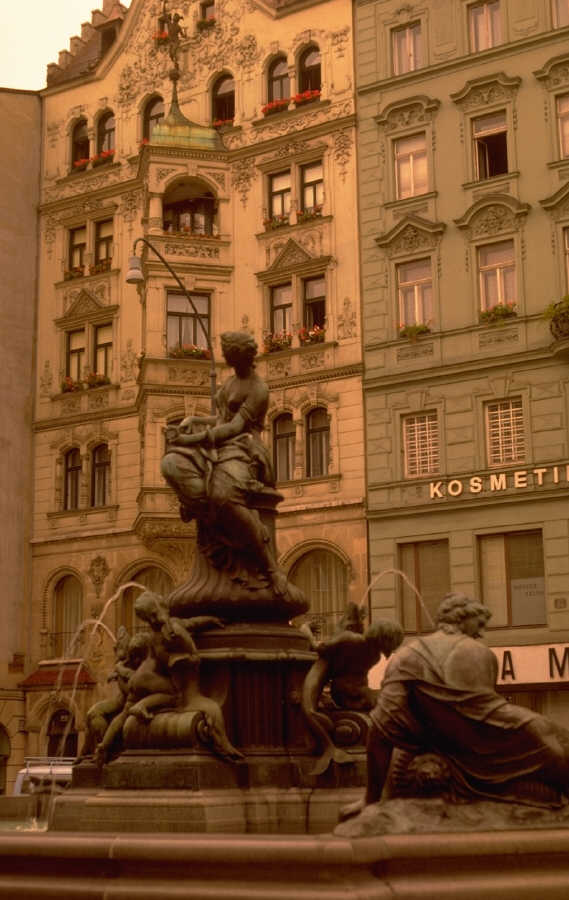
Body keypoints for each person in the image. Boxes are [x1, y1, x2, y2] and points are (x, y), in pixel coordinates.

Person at [344, 592, 569, 816]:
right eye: (479, 624)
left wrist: (370, 798)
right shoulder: (478, 652)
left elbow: (381, 725)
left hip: (456, 745)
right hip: (492, 741)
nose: (481, 632)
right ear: (462, 618)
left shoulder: (405, 656)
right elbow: (490, 711)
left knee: (556, 744)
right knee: (557, 747)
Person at [161, 331, 287, 596]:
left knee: (223, 495)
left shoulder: (258, 389)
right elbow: (221, 420)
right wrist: (193, 421)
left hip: (245, 449)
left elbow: (235, 427)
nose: (226, 359)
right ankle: (205, 512)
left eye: (229, 355)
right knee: (170, 463)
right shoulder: (230, 382)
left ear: (241, 356)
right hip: (217, 445)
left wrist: (191, 439)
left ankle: (269, 568)